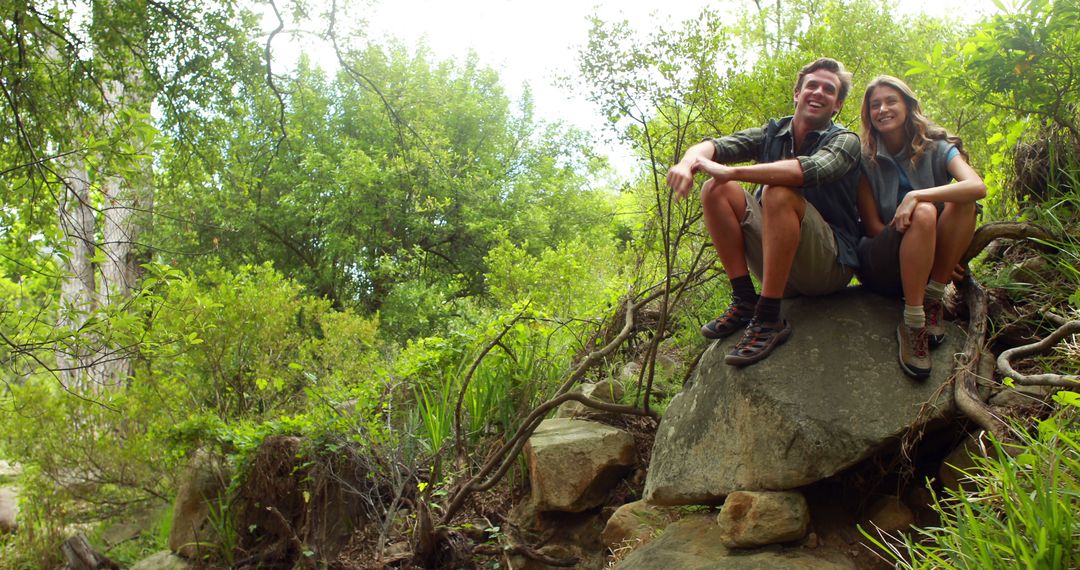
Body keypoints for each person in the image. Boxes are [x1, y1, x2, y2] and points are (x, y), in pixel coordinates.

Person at [667, 57, 861, 366]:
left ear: (836, 104)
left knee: (778, 191)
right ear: (797, 93)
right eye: (812, 85)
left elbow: (809, 169)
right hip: (779, 265)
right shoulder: (773, 132)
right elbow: (715, 146)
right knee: (714, 190)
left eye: (829, 89)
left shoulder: (845, 140)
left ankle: (769, 317)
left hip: (827, 265)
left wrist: (734, 173)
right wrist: (686, 162)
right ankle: (745, 300)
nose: (818, 93)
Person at [856, 75, 986, 379]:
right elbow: (874, 227)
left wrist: (916, 196)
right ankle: (913, 322)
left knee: (961, 200)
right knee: (924, 213)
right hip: (882, 260)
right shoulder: (863, 158)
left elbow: (976, 186)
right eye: (875, 105)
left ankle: (933, 298)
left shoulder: (938, 147)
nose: (883, 109)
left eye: (891, 101)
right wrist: (914, 228)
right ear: (869, 115)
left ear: (907, 106)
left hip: (928, 263)